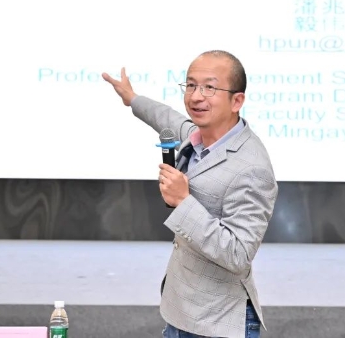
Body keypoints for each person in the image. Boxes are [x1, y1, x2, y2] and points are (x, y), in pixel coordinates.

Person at [102, 50, 278, 338]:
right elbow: (167, 118)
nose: (196, 96)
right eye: (191, 85)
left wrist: (183, 202)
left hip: (217, 323)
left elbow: (239, 254)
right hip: (181, 312)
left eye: (210, 88)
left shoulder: (252, 168)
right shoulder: (201, 136)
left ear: (237, 101)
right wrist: (132, 98)